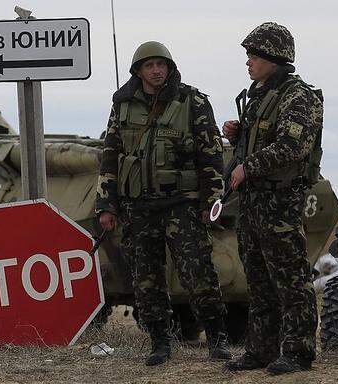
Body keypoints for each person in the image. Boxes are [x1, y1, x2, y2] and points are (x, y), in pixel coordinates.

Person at [96, 41, 230, 366]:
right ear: (138, 71)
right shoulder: (123, 105)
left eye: (162, 65)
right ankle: (159, 343)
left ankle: (217, 339)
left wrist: (211, 200)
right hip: (138, 207)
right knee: (145, 279)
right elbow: (110, 157)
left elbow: (210, 155)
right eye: (150, 65)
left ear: (169, 68)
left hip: (181, 203)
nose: (157, 70)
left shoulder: (191, 101)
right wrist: (106, 205)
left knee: (198, 272)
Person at [222, 22, 323, 375]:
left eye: (254, 55)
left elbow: (293, 146)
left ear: (273, 57)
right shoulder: (260, 96)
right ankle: (261, 349)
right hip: (253, 203)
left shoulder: (299, 96)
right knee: (259, 280)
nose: (248, 62)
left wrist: (247, 166)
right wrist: (238, 133)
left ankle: (298, 351)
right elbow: (263, 138)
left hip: (280, 203)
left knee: (291, 280)